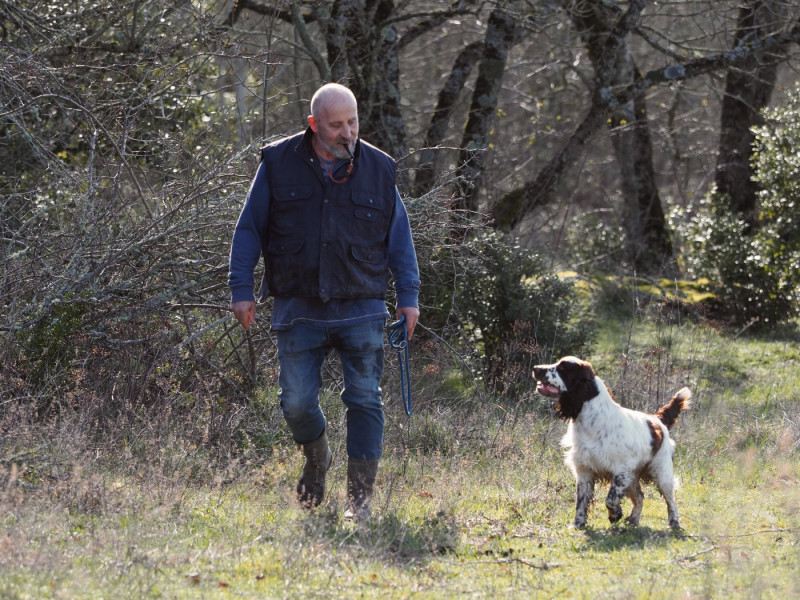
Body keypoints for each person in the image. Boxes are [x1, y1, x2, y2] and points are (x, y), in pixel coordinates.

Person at [228, 83, 420, 521]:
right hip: (298, 306)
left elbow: (400, 239)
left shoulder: (379, 168)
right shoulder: (278, 163)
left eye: (353, 122)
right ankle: (317, 459)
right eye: (336, 125)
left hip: (362, 305)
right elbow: (249, 227)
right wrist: (241, 288)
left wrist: (408, 297)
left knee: (365, 399)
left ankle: (359, 502)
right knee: (296, 402)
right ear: (314, 124)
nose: (347, 132)